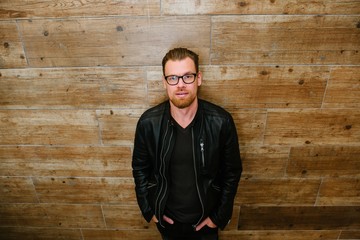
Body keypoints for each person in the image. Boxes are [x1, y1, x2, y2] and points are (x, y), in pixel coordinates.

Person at [132, 47, 242, 240]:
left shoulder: (221, 122)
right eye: (173, 78)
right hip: (168, 224)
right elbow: (140, 169)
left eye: (187, 77)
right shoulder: (148, 123)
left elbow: (232, 172)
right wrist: (150, 211)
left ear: (198, 78)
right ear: (164, 82)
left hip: (206, 224)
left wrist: (218, 216)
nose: (180, 85)